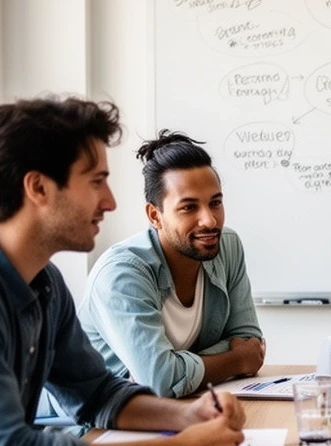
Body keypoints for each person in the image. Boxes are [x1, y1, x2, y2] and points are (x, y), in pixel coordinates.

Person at [0, 97, 246, 446]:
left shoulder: (45, 283)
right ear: (38, 189)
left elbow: (97, 394)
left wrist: (185, 418)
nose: (109, 202)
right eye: (96, 182)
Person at [78, 131, 264, 398]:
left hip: (184, 407)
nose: (210, 221)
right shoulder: (122, 274)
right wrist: (235, 360)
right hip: (97, 424)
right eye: (189, 208)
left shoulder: (228, 246)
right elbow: (160, 381)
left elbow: (249, 342)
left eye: (215, 203)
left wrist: (175, 366)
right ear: (155, 215)